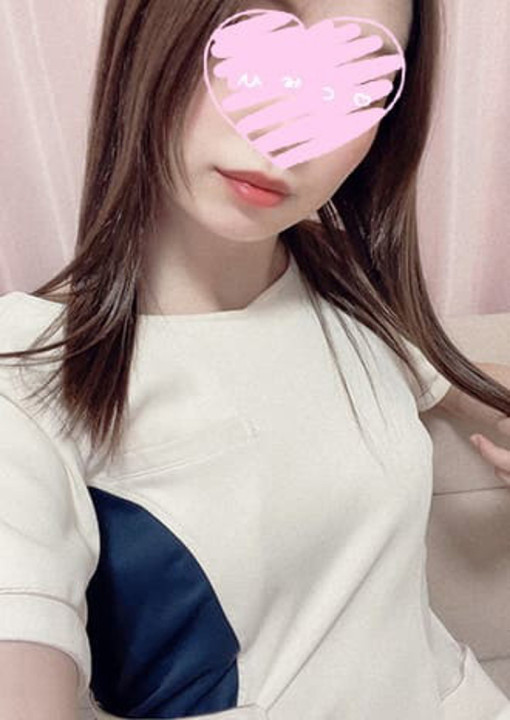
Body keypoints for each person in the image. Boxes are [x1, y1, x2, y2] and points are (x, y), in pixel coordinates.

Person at [0, 0, 510, 718]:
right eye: (255, 50)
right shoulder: (25, 373)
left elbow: (465, 385)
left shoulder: (346, 283)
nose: (289, 134)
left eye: (353, 81)